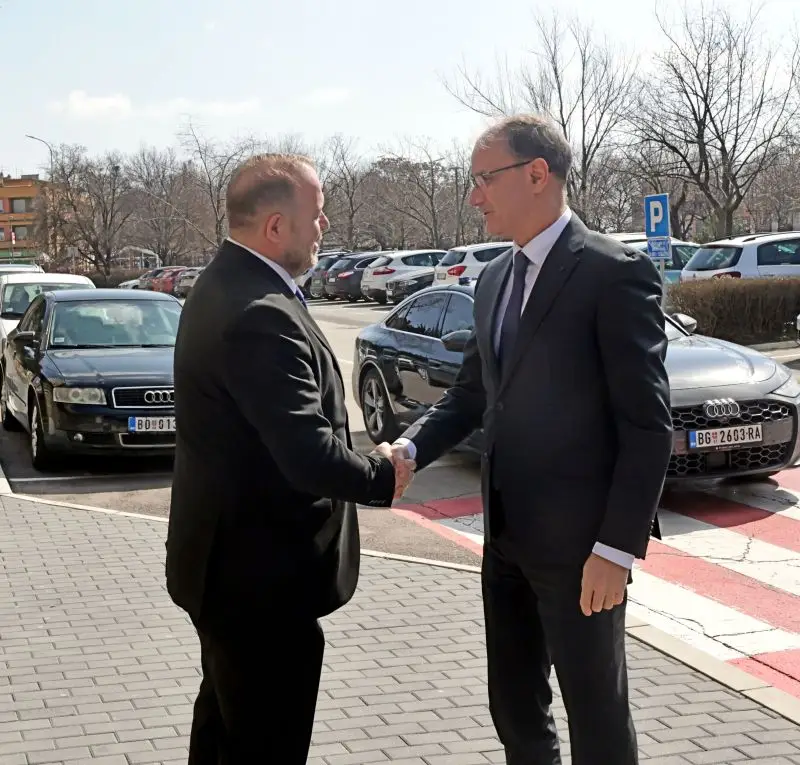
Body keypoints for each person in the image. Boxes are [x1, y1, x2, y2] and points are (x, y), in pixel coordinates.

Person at [391, 115, 673, 765]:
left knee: (597, 718)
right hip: (506, 541)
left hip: (583, 551)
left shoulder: (613, 272)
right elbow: (470, 394)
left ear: (538, 174)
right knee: (515, 710)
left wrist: (616, 548)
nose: (474, 196)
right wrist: (410, 449)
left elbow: (647, 424)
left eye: (485, 179)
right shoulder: (492, 279)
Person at [165, 153, 415, 764]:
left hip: (227, 575)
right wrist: (383, 475)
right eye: (318, 214)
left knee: (223, 736)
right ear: (276, 226)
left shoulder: (223, 284)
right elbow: (307, 453)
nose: (325, 226)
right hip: (260, 589)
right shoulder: (260, 313)